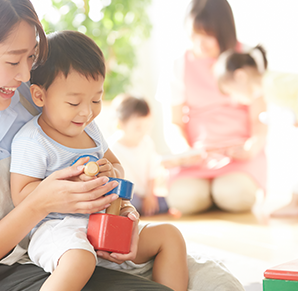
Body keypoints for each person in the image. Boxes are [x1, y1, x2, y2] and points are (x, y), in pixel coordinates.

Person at [0, 0, 246, 290]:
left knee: (221, 283)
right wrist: (40, 203)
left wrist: (117, 202)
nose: (26, 76)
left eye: (30, 59)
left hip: (90, 235)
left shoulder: (34, 93)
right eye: (13, 61)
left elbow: (109, 161)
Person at [10, 30, 188, 291]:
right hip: (59, 228)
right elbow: (21, 196)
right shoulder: (33, 140)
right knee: (80, 260)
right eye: (73, 102)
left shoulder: (90, 130)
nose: (86, 111)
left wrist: (111, 170)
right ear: (39, 96)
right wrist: (68, 186)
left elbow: (117, 166)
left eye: (96, 99)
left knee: (170, 236)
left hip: (105, 220)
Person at [155, 0, 267, 215]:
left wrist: (251, 148)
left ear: (225, 31)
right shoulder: (177, 65)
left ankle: (218, 192)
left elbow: (259, 118)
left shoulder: (248, 57)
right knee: (184, 199)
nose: (200, 43)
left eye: (207, 35)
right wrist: (185, 151)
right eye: (194, 34)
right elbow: (174, 123)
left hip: (239, 154)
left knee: (234, 195)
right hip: (197, 156)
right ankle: (210, 192)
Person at [214, 45, 298, 218]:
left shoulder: (271, 83)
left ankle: (297, 202)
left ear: (240, 76)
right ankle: (297, 201)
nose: (234, 99)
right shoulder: (270, 87)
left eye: (231, 92)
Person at [108, 94, 177, 217]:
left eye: (147, 126)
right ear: (120, 125)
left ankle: (144, 208)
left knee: (171, 200)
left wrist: (150, 196)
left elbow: (152, 172)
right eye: (138, 127)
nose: (144, 132)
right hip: (126, 195)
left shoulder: (147, 143)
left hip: (146, 194)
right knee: (130, 202)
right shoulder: (112, 148)